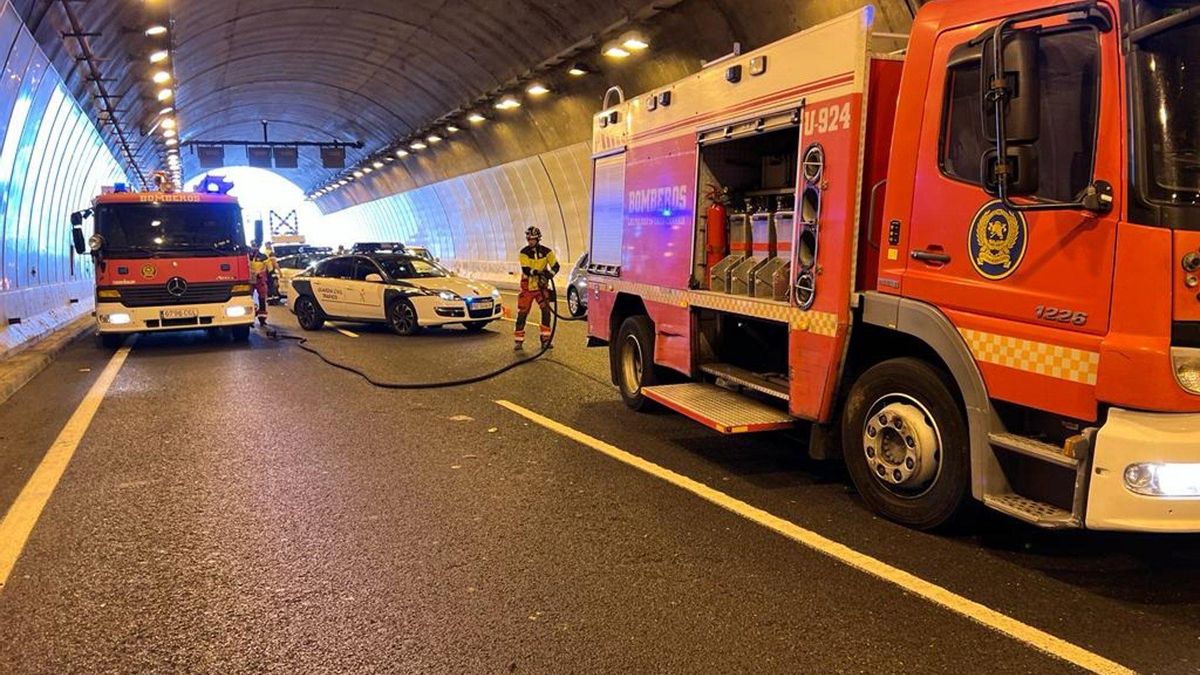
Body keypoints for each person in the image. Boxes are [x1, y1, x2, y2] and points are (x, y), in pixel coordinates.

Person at [514, 226, 560, 350]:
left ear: (538, 239)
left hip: (541, 288)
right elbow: (526, 269)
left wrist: (550, 274)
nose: (530, 241)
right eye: (528, 239)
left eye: (533, 239)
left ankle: (545, 340)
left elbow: (556, 266)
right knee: (522, 313)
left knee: (546, 311)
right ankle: (518, 341)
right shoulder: (524, 252)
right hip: (527, 287)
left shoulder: (547, 252)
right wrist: (539, 273)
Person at [248, 241, 270, 326]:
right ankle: (250, 319)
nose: (254, 248)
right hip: (250, 280)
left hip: (260, 280)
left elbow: (268, 268)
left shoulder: (263, 257)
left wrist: (261, 274)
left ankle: (262, 319)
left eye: (256, 246)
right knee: (249, 299)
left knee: (262, 299)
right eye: (253, 246)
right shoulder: (248, 256)